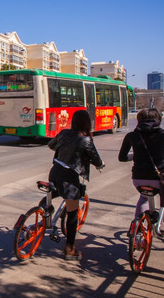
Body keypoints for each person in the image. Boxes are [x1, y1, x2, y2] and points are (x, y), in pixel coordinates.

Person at [48, 110, 104, 260]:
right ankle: (70, 248)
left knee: (53, 192)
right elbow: (96, 159)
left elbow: (51, 145)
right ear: (87, 123)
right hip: (69, 177)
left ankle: (42, 213)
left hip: (54, 171)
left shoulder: (64, 133)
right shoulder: (86, 140)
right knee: (73, 213)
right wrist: (100, 165)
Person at [118, 108, 164, 231]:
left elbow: (122, 158)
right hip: (161, 177)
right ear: (158, 120)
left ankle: (138, 232)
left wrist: (136, 156)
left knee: (144, 198)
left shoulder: (131, 136)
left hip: (138, 178)